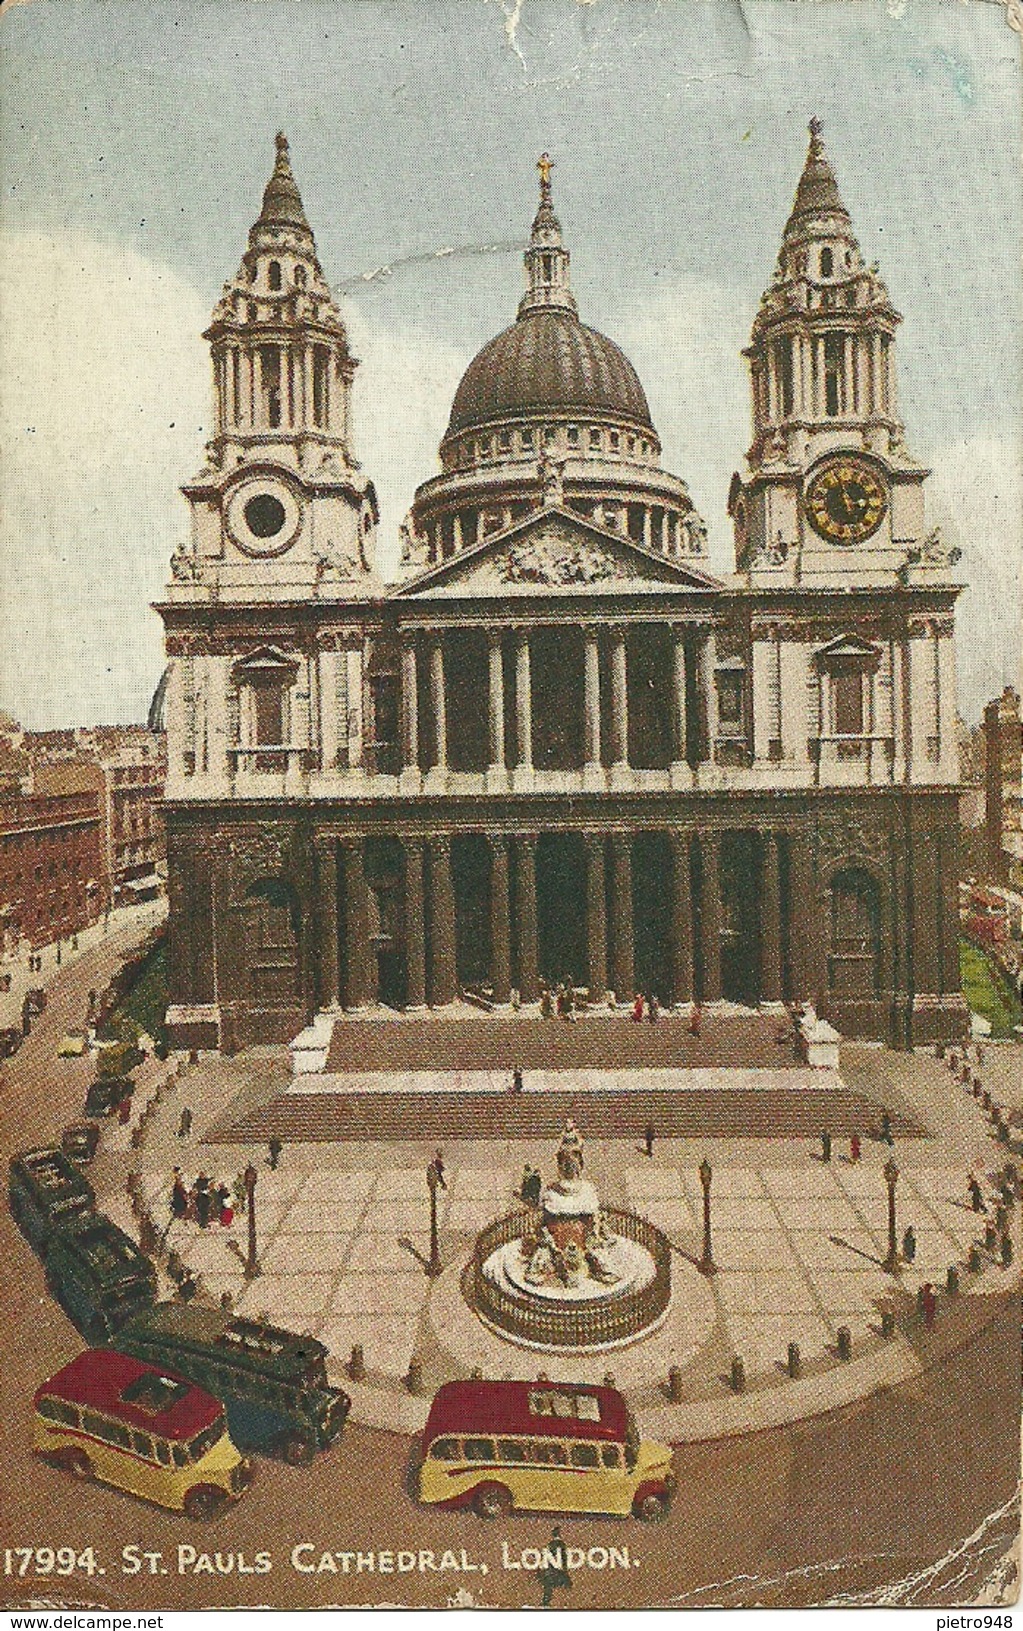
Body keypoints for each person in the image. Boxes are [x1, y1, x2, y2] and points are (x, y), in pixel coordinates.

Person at [537, 1525, 571, 1610]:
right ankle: (563, 1602)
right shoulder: (562, 1545)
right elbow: (564, 1558)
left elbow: (548, 1557)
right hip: (558, 1570)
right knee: (563, 1584)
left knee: (548, 1585)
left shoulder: (551, 1544)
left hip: (551, 1571)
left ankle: (547, 1601)